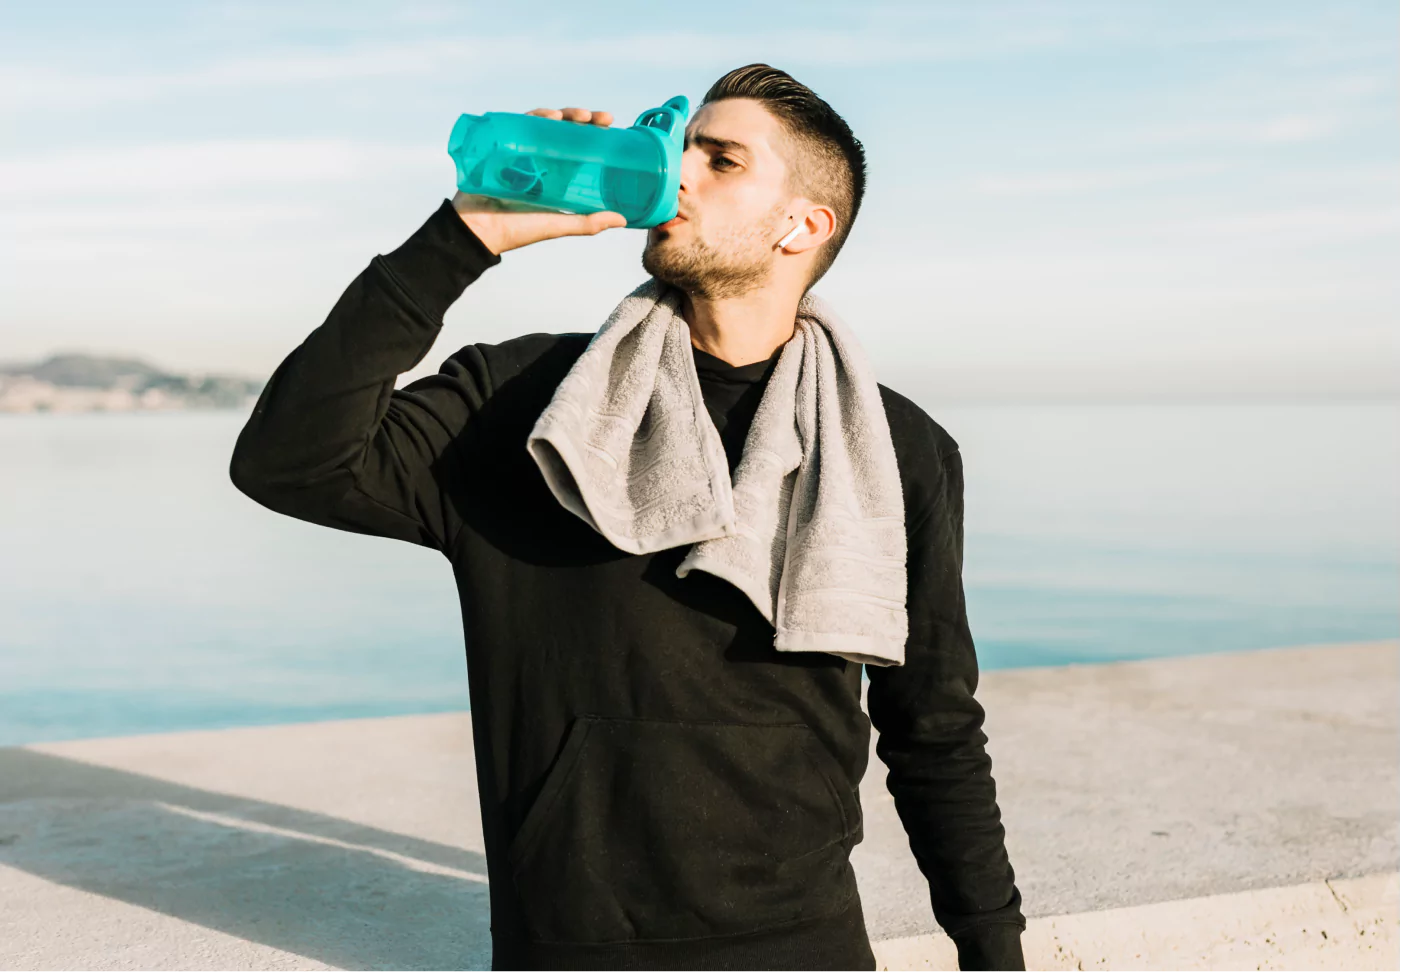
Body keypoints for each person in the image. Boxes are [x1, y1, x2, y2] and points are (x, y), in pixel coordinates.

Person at [230, 63, 1026, 972]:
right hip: (573, 943)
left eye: (719, 159)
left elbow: (932, 725)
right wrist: (466, 235)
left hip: (808, 941)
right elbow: (287, 462)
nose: (676, 170)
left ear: (803, 226)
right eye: (681, 144)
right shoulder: (524, 405)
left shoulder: (895, 445)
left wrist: (990, 947)